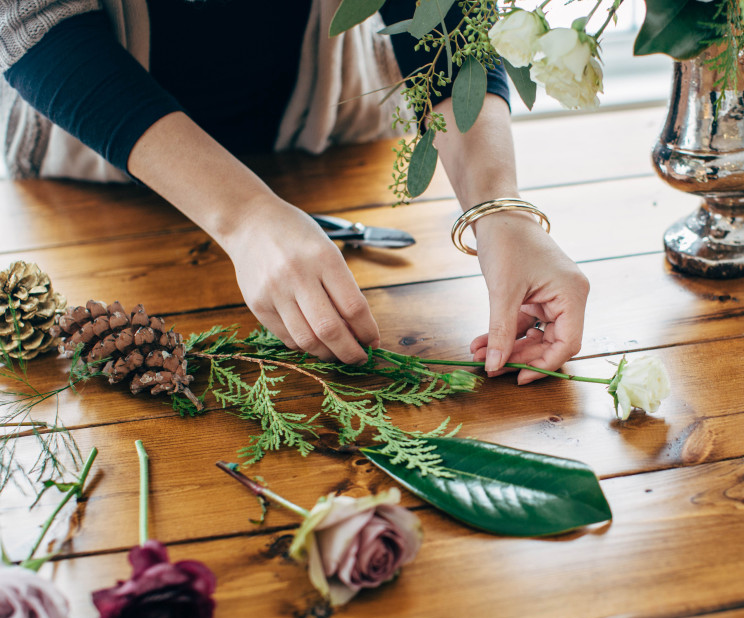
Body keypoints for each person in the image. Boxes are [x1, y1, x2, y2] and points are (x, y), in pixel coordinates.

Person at [0, 0, 589, 384]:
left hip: (326, 138)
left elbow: (445, 14)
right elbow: (29, 18)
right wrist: (245, 215)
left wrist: (499, 208)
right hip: (100, 168)